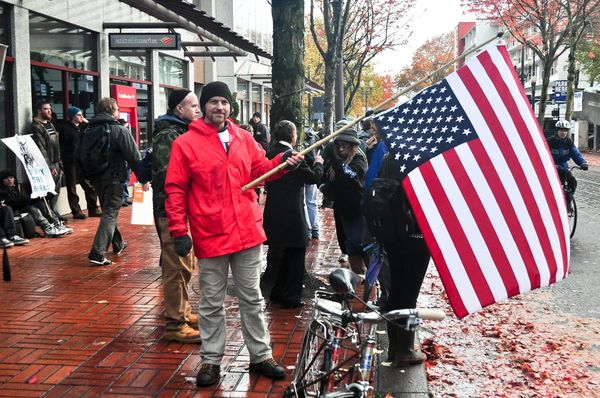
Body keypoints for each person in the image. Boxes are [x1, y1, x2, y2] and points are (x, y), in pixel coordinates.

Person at [164, 81, 304, 387]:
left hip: (246, 232)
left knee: (252, 298)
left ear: (231, 106)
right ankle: (212, 360)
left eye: (224, 102)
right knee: (211, 302)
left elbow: (260, 170)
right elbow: (175, 189)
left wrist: (282, 164)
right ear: (203, 107)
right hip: (210, 232)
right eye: (213, 102)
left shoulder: (243, 138)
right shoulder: (185, 144)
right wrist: (179, 230)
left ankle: (261, 355)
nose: (220, 107)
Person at [151, 89, 201, 343]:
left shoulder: (182, 132)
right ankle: (175, 323)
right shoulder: (168, 135)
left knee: (185, 265)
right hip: (171, 212)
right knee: (175, 266)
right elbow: (169, 177)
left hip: (184, 210)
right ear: (178, 109)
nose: (197, 110)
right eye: (193, 106)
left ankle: (183, 311)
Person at [261, 120, 323, 307]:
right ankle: (290, 296)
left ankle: (279, 291)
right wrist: (319, 163)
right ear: (293, 136)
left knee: (282, 254)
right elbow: (313, 178)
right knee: (296, 254)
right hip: (293, 213)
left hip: (273, 211)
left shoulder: (269, 154)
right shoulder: (294, 156)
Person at [376, 153, 430, 367]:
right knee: (410, 294)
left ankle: (394, 346)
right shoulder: (423, 157)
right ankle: (406, 348)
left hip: (392, 234)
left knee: (396, 289)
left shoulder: (390, 156)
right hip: (417, 235)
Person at [87, 98, 141, 266]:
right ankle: (98, 252)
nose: (118, 112)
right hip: (115, 177)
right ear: (112, 110)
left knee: (108, 210)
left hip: (95, 177)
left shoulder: (88, 129)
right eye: (117, 109)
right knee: (110, 212)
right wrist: (144, 177)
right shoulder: (119, 129)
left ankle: (117, 243)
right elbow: (134, 156)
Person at [326, 122, 368, 274]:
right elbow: (327, 176)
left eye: (345, 145)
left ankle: (369, 278)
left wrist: (337, 162)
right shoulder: (335, 160)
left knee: (359, 243)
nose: (341, 148)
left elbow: (351, 177)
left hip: (357, 208)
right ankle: (358, 275)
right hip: (341, 207)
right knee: (348, 244)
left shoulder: (359, 159)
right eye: (339, 145)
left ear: (353, 146)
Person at [59, 106, 101, 219]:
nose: (81, 116)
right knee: (72, 187)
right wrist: (62, 161)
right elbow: (62, 146)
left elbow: (94, 129)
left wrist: (86, 122)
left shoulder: (84, 127)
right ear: (72, 116)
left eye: (82, 114)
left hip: (82, 161)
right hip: (70, 161)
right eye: (79, 115)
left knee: (89, 185)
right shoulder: (65, 128)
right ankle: (76, 211)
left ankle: (93, 209)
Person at [27, 101, 65, 222]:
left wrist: (59, 162)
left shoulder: (50, 124)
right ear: (39, 111)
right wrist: (48, 166)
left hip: (56, 162)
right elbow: (41, 148)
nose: (49, 111)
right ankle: (50, 215)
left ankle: (54, 211)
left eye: (50, 108)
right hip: (48, 165)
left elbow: (56, 144)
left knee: (55, 191)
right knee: (48, 192)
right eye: (46, 109)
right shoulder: (36, 126)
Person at [0, 170, 67, 237]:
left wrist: (39, 197)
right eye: (6, 178)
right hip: (12, 213)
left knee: (39, 203)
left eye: (11, 177)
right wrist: (30, 198)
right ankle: (47, 227)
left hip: (19, 209)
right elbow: (13, 203)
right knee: (31, 208)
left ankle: (55, 223)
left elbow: (23, 199)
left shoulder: (15, 189)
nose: (10, 180)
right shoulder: (2, 191)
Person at [547, 119, 588, 199]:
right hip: (551, 168)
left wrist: (582, 163)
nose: (563, 133)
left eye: (565, 131)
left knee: (572, 181)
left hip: (563, 167)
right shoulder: (550, 142)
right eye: (561, 130)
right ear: (557, 131)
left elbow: (575, 153)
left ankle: (569, 200)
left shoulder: (569, 142)